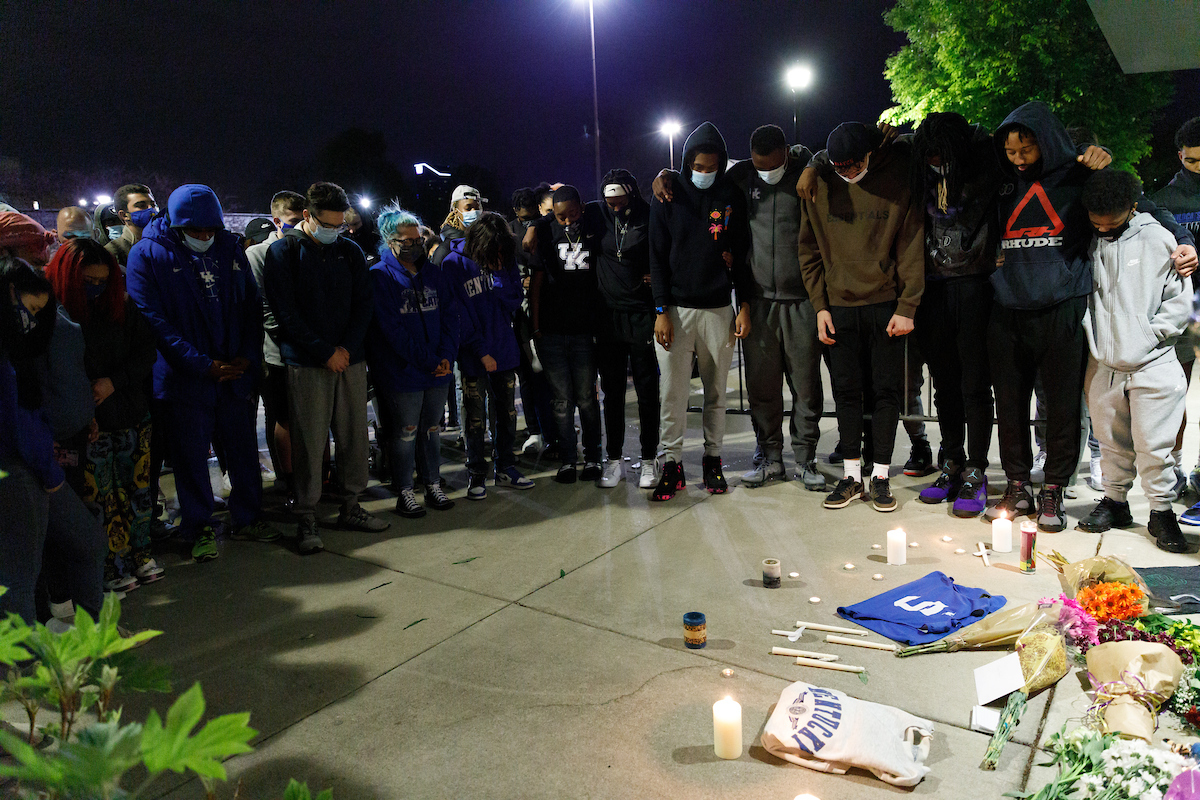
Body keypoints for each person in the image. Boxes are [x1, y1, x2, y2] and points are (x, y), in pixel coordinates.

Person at [984, 101, 1196, 532]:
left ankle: (1054, 489)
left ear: (1046, 141)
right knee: (1009, 404)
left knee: (1065, 406)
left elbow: (1145, 206)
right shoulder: (1000, 182)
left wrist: (1183, 238)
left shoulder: (1078, 177)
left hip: (1063, 307)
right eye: (1011, 151)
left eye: (1027, 148)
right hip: (1008, 308)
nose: (1020, 158)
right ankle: (1018, 484)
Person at [656, 125, 826, 491]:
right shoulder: (740, 176)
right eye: (760, 165)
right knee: (762, 388)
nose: (766, 172)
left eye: (774, 165)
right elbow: (694, 171)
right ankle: (770, 457)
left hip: (800, 300)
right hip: (758, 300)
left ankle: (806, 458)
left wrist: (814, 163)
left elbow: (828, 157)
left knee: (806, 386)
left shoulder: (804, 173)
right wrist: (664, 174)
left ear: (787, 154)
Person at [126, 183, 281, 562]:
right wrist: (201, 364)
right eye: (196, 230)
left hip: (233, 375)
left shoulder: (229, 247)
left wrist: (246, 356)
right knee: (191, 458)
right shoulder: (148, 253)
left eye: (210, 229)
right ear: (177, 225)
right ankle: (197, 527)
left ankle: (248, 517)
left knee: (242, 452)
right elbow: (152, 320)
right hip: (185, 379)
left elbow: (251, 305)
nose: (204, 236)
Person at [797, 122, 924, 513]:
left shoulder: (896, 179)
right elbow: (808, 252)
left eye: (854, 166)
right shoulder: (818, 183)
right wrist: (820, 306)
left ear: (869, 154)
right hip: (838, 306)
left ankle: (881, 476)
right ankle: (853, 476)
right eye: (840, 168)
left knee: (886, 392)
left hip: (885, 303)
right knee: (846, 393)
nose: (848, 174)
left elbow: (911, 243)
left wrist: (907, 305)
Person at [263, 181, 386, 555]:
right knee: (309, 441)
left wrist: (345, 348)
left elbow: (364, 304)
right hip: (307, 363)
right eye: (328, 224)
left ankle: (351, 505)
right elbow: (285, 314)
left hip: (350, 359)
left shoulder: (348, 251)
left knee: (353, 436)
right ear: (307, 216)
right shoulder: (283, 252)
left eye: (340, 225)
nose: (335, 231)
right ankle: (306, 516)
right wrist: (323, 352)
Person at [1074, 169, 1192, 552]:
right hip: (1104, 363)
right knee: (1109, 440)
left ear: (1133, 207)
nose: (1104, 229)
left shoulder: (1159, 238)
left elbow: (1179, 299)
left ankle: (1161, 512)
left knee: (1154, 445)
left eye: (1112, 223)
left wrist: (1150, 336)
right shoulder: (1086, 240)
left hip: (1153, 362)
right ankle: (1115, 502)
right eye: (1097, 223)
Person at [900, 112, 1002, 518]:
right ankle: (952, 462)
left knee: (975, 384)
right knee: (944, 385)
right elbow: (871, 144)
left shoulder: (987, 158)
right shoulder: (919, 163)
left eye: (942, 158)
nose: (935, 164)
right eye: (929, 158)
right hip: (933, 289)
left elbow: (1050, 147)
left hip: (976, 286)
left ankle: (977, 469)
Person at [45, 239, 161, 588]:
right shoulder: (54, 313)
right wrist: (84, 401)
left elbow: (146, 352)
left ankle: (141, 555)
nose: (96, 288)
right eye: (88, 281)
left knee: (137, 492)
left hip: (130, 414)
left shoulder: (121, 304)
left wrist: (114, 381)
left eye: (102, 281)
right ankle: (111, 567)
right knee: (98, 500)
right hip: (87, 422)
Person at [649, 121, 751, 500]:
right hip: (676, 311)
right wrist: (661, 309)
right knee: (672, 394)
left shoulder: (731, 195)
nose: (704, 173)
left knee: (716, 393)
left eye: (711, 167)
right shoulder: (668, 194)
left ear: (721, 164)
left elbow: (741, 253)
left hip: (719, 309)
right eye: (698, 166)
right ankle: (672, 465)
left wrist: (744, 305)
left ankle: (713, 460)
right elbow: (656, 257)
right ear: (687, 162)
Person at [0, 259, 105, 626]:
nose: (31, 320)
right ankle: (27, 660)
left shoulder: (16, 347)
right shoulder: (6, 354)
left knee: (84, 544)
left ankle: (89, 630)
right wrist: (50, 473)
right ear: (10, 292)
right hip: (20, 469)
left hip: (32, 465)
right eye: (30, 309)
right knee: (19, 577)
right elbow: (17, 419)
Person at [367, 205, 458, 517]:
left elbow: (450, 317)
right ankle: (405, 490)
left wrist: (446, 357)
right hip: (403, 371)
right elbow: (391, 331)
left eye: (417, 239)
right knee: (406, 432)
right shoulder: (380, 276)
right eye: (406, 241)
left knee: (431, 429)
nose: (414, 245)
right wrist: (429, 360)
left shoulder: (433, 273)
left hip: (437, 369)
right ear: (390, 241)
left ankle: (432, 484)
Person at [443, 211, 535, 496]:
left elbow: (514, 300)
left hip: (504, 348)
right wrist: (481, 351)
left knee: (507, 414)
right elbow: (459, 314)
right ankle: (476, 473)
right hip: (473, 354)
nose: (498, 255)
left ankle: (505, 467)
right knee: (475, 418)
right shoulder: (453, 263)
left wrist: (498, 276)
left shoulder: (504, 258)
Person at [590, 169, 660, 489]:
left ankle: (648, 458)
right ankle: (614, 459)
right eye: (610, 202)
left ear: (631, 193)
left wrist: (657, 278)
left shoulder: (648, 215)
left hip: (641, 313)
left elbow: (665, 249)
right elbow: (562, 213)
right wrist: (534, 226)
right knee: (613, 391)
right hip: (608, 316)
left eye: (620, 201)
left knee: (647, 390)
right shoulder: (597, 213)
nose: (615, 207)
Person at [530, 185, 605, 484]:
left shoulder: (593, 225)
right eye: (561, 216)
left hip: (584, 330)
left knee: (587, 398)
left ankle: (593, 457)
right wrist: (536, 326)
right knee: (561, 402)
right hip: (551, 331)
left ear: (581, 208)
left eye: (573, 214)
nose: (567, 221)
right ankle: (568, 460)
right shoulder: (546, 232)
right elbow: (536, 284)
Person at [1152, 117, 1200, 525]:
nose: (1199, 168)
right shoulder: (1163, 200)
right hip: (1181, 308)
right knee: (1174, 394)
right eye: (1192, 160)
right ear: (1180, 155)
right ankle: (1175, 469)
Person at [245, 190, 307, 504]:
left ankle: (314, 476)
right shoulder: (258, 254)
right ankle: (289, 479)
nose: (300, 226)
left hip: (308, 350)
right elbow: (264, 308)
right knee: (283, 417)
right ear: (277, 221)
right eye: (293, 220)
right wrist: (298, 337)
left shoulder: (307, 249)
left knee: (310, 418)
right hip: (276, 352)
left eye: (303, 219)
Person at [508, 187, 558, 457]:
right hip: (523, 315)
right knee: (529, 376)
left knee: (551, 378)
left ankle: (555, 431)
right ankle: (535, 430)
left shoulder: (546, 226)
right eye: (523, 218)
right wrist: (521, 280)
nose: (527, 224)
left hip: (547, 310)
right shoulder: (509, 232)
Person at [105, 184, 158, 268]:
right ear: (124, 215)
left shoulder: (165, 243)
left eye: (153, 205)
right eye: (142, 206)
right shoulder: (112, 253)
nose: (151, 210)